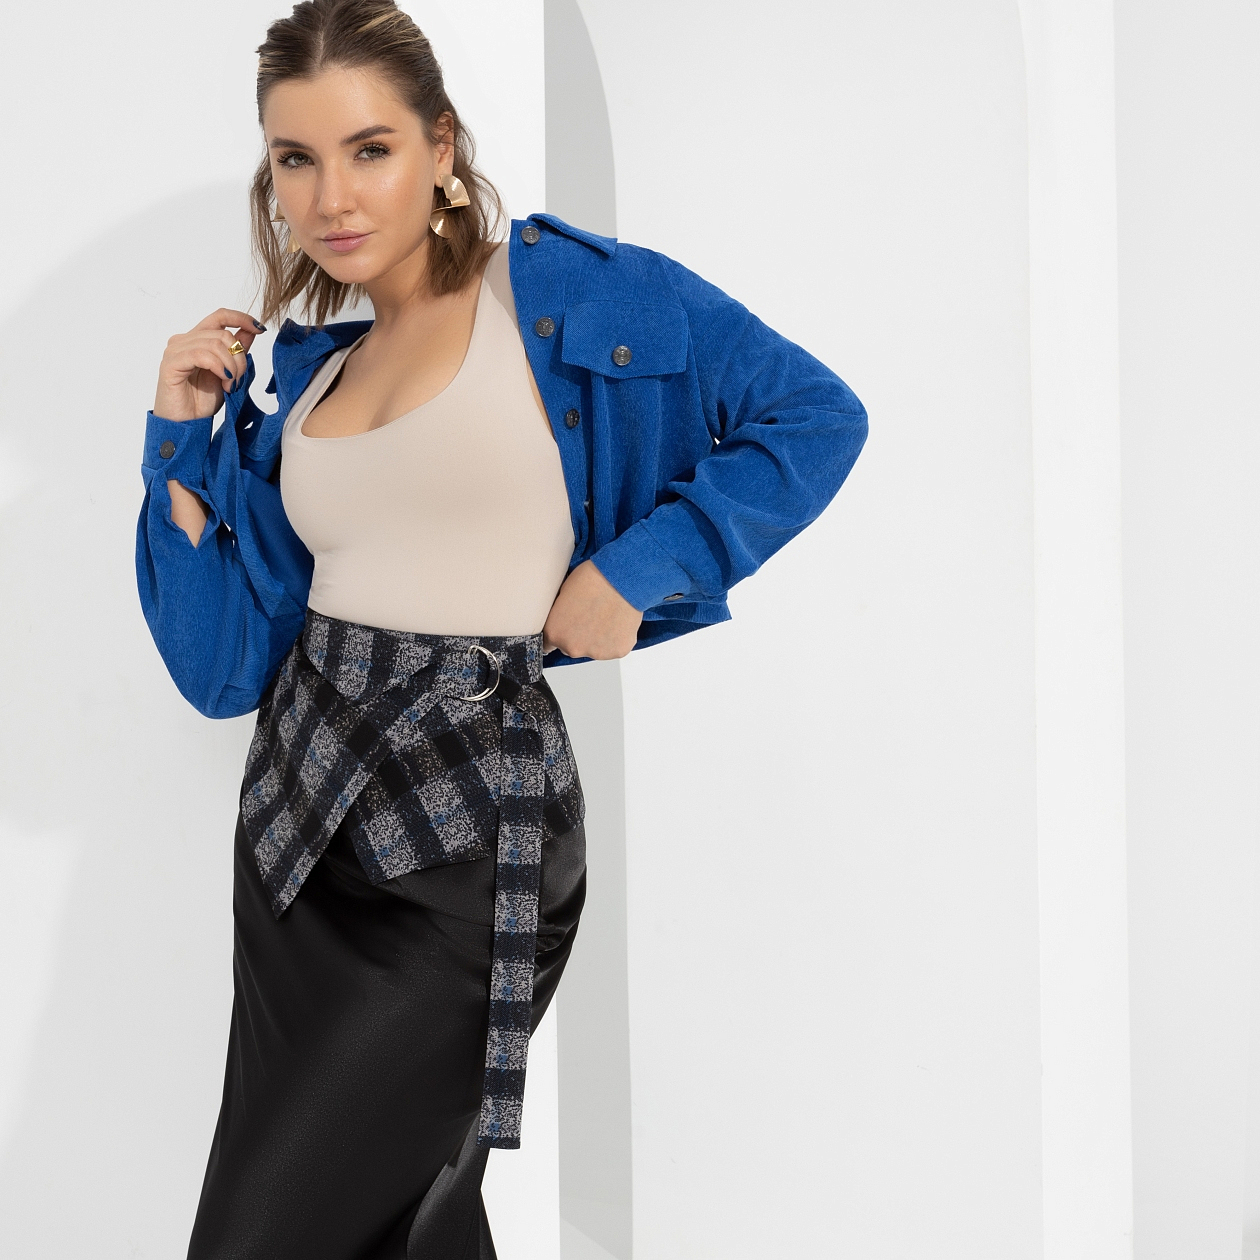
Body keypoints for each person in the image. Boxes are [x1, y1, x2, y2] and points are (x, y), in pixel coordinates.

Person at [135, 1, 867, 1255]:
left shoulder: (565, 293)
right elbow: (218, 672)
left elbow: (813, 414)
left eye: (369, 149)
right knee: (408, 1225)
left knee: (270, 1231)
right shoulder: (310, 375)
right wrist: (174, 438)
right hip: (296, 836)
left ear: (441, 147)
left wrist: (645, 567)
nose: (330, 197)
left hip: (468, 835)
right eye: (296, 159)